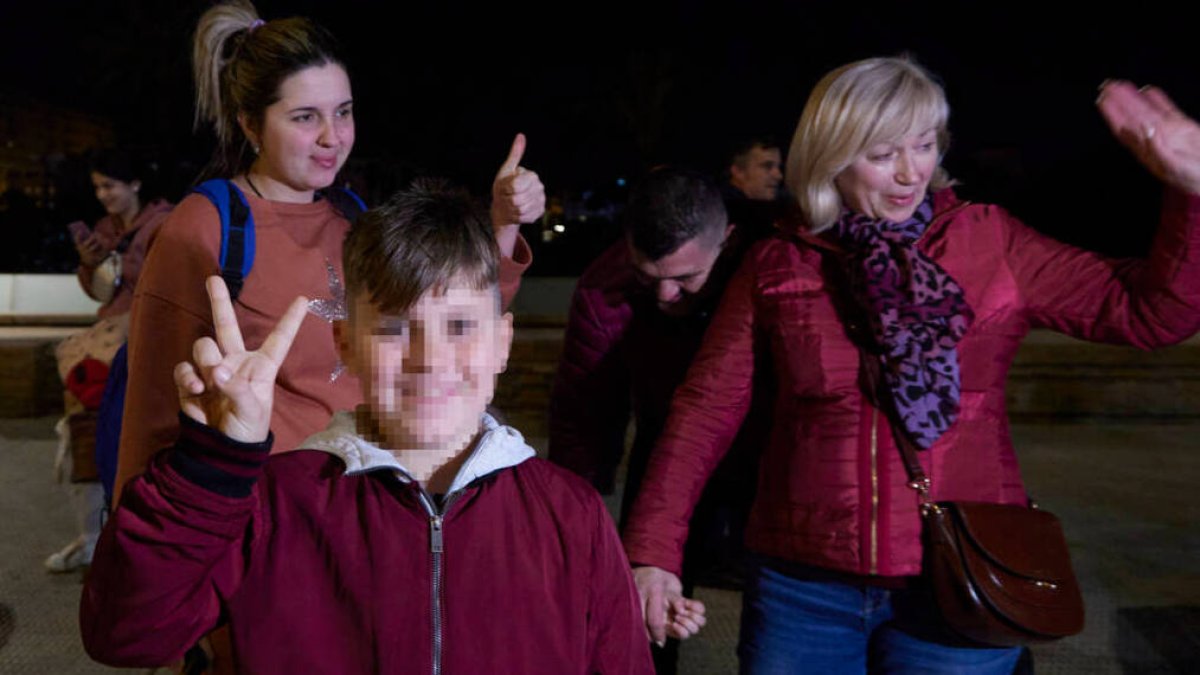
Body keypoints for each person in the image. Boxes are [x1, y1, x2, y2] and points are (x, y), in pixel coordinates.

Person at [623, 56, 1200, 673]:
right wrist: (651, 553)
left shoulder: (991, 241)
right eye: (882, 154)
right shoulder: (780, 263)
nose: (909, 174)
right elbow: (704, 412)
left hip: (961, 575)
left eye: (923, 146)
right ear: (833, 155)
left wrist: (1191, 192)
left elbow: (1150, 312)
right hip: (802, 590)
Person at [81, 178, 653, 674]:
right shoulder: (271, 505)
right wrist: (208, 467)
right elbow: (126, 635)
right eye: (396, 328)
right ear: (346, 346)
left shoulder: (571, 516)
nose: (429, 358)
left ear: (502, 343)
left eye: (459, 325)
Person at [113, 0, 542, 505]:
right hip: (272, 514)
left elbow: (454, 317)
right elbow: (152, 408)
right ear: (251, 125)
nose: (332, 137)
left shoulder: (354, 215)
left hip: (369, 501)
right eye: (304, 117)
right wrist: (139, 550)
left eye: (343, 111)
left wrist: (504, 223)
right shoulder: (203, 228)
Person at [549, 167, 765, 671]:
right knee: (643, 608)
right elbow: (583, 410)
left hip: (764, 456)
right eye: (649, 278)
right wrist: (574, 519)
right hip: (663, 444)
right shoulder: (606, 288)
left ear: (726, 241)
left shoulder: (761, 265)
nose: (666, 296)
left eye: (685, 279)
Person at [44, 149, 172, 573]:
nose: (103, 195)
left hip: (143, 343)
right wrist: (90, 262)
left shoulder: (163, 224)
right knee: (85, 433)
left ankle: (132, 534)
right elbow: (100, 294)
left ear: (134, 184)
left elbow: (164, 288)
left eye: (110, 185)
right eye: (98, 187)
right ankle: (94, 535)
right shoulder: (103, 228)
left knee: (131, 439)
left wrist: (121, 260)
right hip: (105, 339)